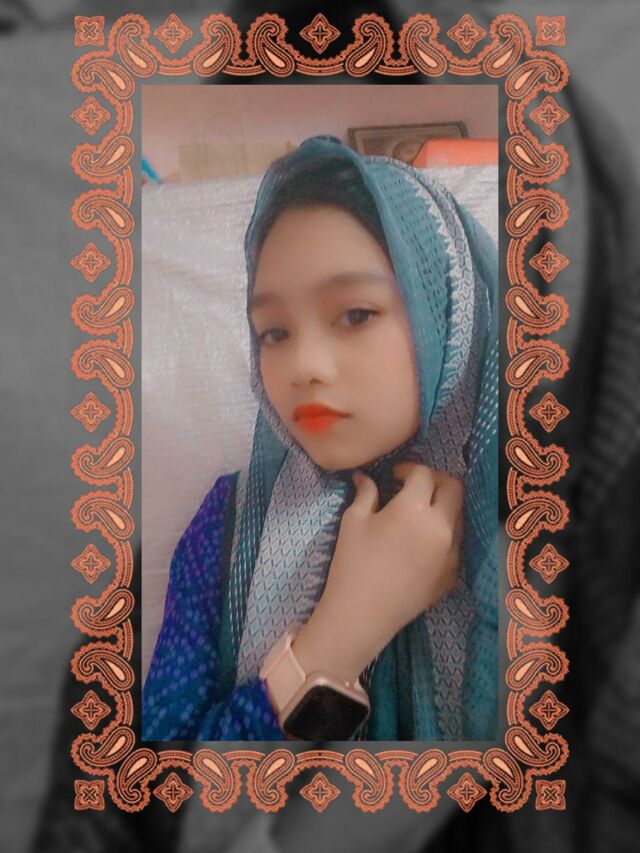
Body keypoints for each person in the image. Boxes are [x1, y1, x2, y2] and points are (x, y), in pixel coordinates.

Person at [141, 135, 498, 742]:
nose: (302, 366)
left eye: (355, 314)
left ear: (447, 312)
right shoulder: (226, 525)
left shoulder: (544, 512)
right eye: (274, 332)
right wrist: (342, 634)